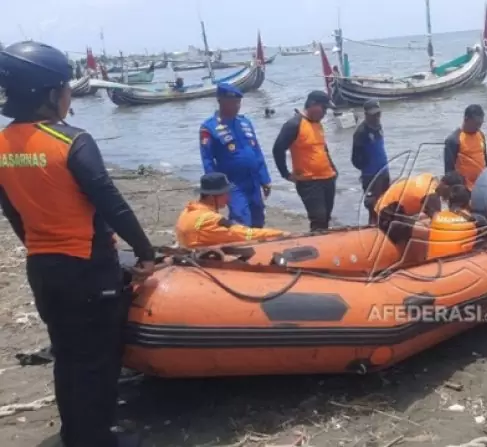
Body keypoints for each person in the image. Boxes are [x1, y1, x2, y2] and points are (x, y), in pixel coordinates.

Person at [0, 41, 156, 447]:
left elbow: (14, 212)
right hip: (87, 267)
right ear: (51, 93)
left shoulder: (2, 146)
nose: (69, 95)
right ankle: (99, 438)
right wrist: (146, 252)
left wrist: (38, 242)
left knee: (68, 357)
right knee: (98, 360)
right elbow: (110, 202)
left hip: (43, 267)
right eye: (66, 87)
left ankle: (76, 434)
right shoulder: (71, 140)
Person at [199, 83, 272, 228]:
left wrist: (265, 179)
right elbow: (207, 160)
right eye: (232, 103)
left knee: (258, 217)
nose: (237, 106)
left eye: (238, 102)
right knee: (241, 219)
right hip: (232, 183)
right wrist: (215, 188)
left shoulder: (244, 122)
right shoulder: (209, 127)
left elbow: (256, 152)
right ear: (220, 101)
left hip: (253, 180)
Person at [272, 90, 339, 232]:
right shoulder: (294, 124)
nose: (325, 113)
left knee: (326, 218)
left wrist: (333, 168)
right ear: (313, 105)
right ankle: (318, 248)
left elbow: (322, 148)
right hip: (309, 181)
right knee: (318, 218)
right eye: (324, 108)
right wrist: (286, 174)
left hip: (328, 178)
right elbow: (278, 149)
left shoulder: (317, 124)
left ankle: (324, 243)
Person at [176, 173, 287, 248]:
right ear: (211, 196)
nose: (228, 198)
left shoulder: (188, 211)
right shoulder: (211, 220)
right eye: (225, 194)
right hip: (198, 260)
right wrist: (280, 234)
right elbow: (245, 234)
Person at [352, 99, 390, 224]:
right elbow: (355, 159)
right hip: (371, 174)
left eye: (378, 114)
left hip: (384, 171)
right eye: (373, 114)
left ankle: (385, 225)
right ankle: (372, 227)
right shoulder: (361, 132)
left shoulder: (379, 126)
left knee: (386, 202)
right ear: (366, 114)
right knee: (373, 205)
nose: (376, 117)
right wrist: (367, 167)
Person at [444, 104, 487, 190]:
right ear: (466, 119)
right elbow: (449, 172)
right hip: (464, 189)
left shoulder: (480, 135)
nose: (478, 127)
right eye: (476, 124)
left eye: (480, 124)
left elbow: (485, 160)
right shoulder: (453, 140)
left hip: (481, 185)